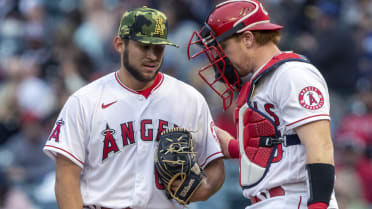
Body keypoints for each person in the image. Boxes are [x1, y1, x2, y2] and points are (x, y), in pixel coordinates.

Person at [43, 6, 225, 209]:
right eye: (143, 46)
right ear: (119, 44)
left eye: (158, 48)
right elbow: (66, 178)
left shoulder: (189, 99)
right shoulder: (85, 100)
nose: (152, 55)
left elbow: (214, 165)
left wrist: (201, 188)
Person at [187, 1, 338, 209]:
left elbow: (320, 146)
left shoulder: (293, 74)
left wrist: (318, 206)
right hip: (269, 201)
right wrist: (232, 147)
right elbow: (283, 145)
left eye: (223, 47)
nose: (219, 58)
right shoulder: (263, 80)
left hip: (296, 200)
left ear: (248, 38)